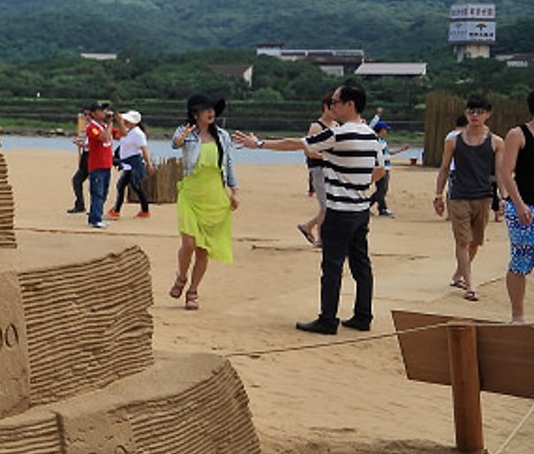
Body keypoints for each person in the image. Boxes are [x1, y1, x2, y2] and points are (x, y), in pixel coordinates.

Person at [242, 80, 380, 335]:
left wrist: (259, 144)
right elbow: (380, 170)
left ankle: (328, 319)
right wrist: (358, 184)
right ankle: (363, 315)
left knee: (332, 265)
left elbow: (298, 144)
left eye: (336, 102)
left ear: (350, 105)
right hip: (361, 209)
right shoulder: (371, 135)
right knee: (361, 263)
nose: (333, 107)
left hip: (339, 210)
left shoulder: (339, 133)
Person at [168, 94, 239, 310]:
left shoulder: (223, 136)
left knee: (203, 248)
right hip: (190, 192)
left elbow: (229, 162)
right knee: (188, 243)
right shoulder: (186, 132)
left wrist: (234, 191)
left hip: (215, 193)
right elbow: (174, 144)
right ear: (195, 114)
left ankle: (193, 291)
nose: (211, 113)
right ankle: (181, 277)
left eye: (212, 110)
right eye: (206, 110)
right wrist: (181, 139)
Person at [434, 95, 501, 304]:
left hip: (483, 196)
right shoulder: (453, 141)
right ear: (466, 114)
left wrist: (503, 199)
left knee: (475, 243)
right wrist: (438, 195)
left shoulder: (496, 142)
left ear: (488, 115)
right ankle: (470, 284)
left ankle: (458, 274)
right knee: (463, 241)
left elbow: (500, 173)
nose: (475, 115)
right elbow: (444, 168)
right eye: (471, 111)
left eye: (480, 112)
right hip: (458, 195)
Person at [496, 90, 533, 324]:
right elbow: (506, 172)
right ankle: (517, 315)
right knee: (520, 259)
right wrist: (518, 204)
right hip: (523, 205)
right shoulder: (517, 134)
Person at [295, 91, 337, 246]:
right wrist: (326, 157)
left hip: (332, 170)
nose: (335, 112)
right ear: (325, 107)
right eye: (332, 108)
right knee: (326, 205)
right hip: (318, 170)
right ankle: (321, 238)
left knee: (329, 205)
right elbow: (308, 151)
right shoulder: (316, 126)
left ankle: (308, 227)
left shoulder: (337, 126)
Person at [107, 109, 151, 219]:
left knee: (122, 186)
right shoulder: (128, 130)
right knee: (134, 187)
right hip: (126, 162)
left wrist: (149, 163)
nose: (126, 121)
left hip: (133, 163)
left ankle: (116, 211)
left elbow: (144, 149)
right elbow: (119, 136)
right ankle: (144, 210)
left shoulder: (138, 134)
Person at [82, 101, 116, 228]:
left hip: (106, 164)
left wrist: (119, 121)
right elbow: (104, 137)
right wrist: (110, 123)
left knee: (104, 192)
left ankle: (97, 216)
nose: (104, 113)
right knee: (97, 192)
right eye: (100, 111)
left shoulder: (103, 126)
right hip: (96, 165)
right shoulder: (92, 127)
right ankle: (95, 219)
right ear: (93, 113)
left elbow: (121, 134)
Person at [370, 120, 410, 217]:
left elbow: (388, 153)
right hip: (381, 168)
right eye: (385, 130)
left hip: (385, 167)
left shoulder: (382, 141)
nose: (386, 132)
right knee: (382, 189)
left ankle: (372, 206)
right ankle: (381, 208)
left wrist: (401, 150)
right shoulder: (375, 141)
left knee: (382, 189)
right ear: (381, 130)